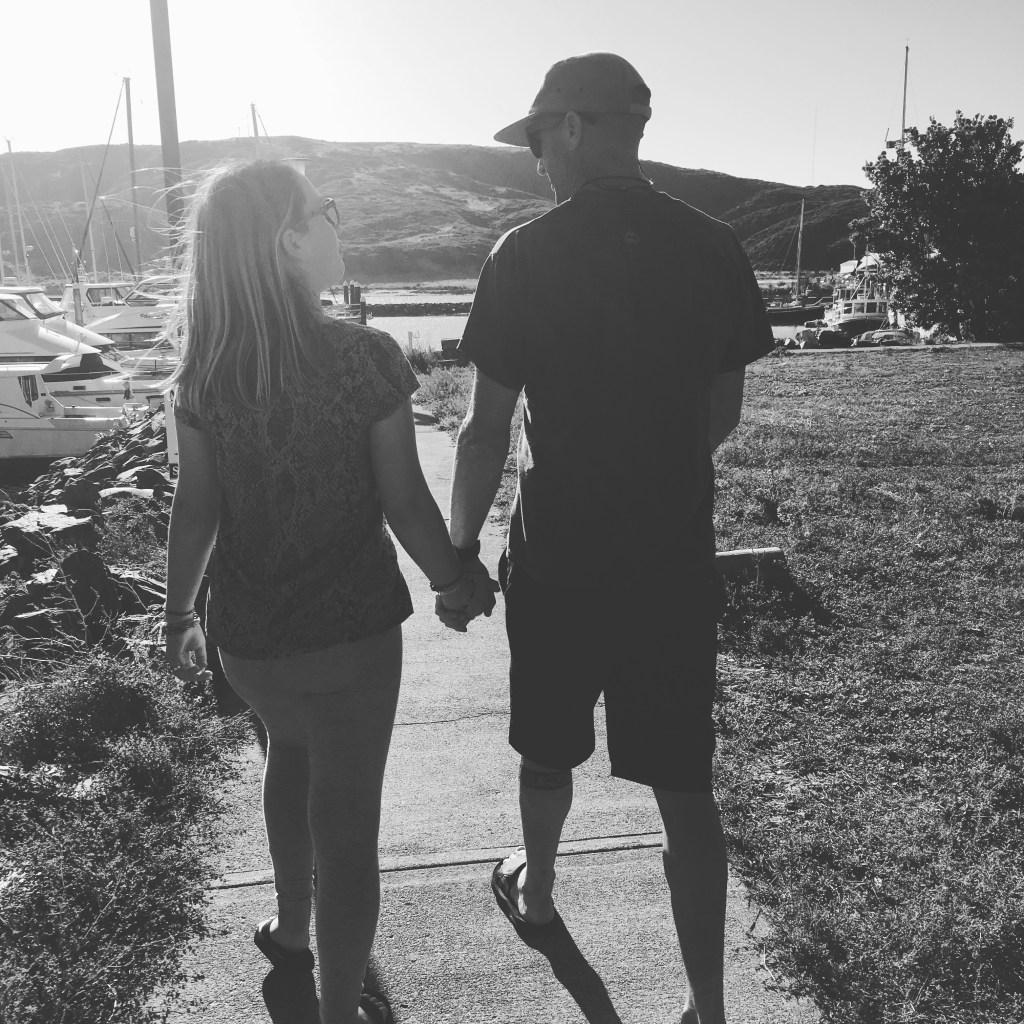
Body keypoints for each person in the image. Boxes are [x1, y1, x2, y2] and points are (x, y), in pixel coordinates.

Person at [444, 53, 775, 1024]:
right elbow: (722, 408)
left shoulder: (523, 254)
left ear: (575, 128)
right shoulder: (715, 246)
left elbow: (483, 431)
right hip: (671, 562)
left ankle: (539, 891)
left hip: (558, 560)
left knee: (547, 748)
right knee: (684, 787)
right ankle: (708, 1005)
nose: (536, 161)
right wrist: (652, 470)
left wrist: (458, 556)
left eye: (539, 140)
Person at [163, 160, 493, 1024]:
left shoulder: (205, 371)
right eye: (324, 212)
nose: (337, 223)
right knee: (347, 833)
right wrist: (455, 580)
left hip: (250, 642)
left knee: (289, 754)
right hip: (351, 639)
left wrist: (178, 615)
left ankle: (291, 930)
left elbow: (196, 507)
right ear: (287, 242)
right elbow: (404, 500)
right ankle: (340, 1010)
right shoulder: (364, 358)